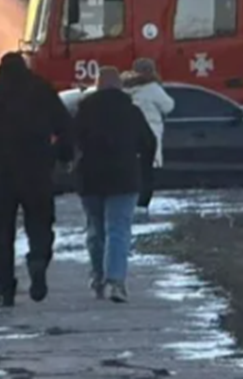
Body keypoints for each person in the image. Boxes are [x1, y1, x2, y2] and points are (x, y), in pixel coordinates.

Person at [0, 52, 73, 307]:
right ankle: (37, 261)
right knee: (40, 223)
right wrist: (63, 156)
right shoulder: (42, 89)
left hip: (4, 170)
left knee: (1, 232)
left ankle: (5, 288)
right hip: (38, 169)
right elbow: (65, 126)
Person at [73, 66, 156, 303]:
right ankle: (116, 282)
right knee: (118, 229)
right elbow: (148, 142)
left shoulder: (84, 110)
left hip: (90, 178)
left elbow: (71, 140)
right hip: (124, 178)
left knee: (95, 230)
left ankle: (98, 277)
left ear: (97, 86)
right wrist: (142, 167)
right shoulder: (132, 112)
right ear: (120, 86)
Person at [122, 58, 174, 212]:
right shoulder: (152, 88)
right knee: (147, 171)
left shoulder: (124, 87)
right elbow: (168, 106)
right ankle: (142, 204)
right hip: (150, 130)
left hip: (127, 132)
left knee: (132, 169)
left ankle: (131, 200)